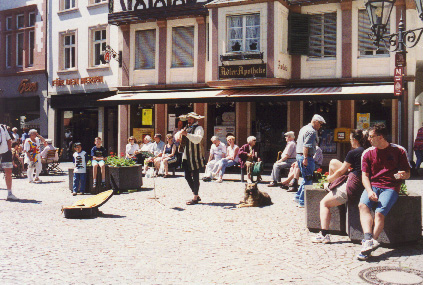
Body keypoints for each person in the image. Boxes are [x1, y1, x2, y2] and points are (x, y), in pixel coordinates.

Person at [356, 123, 411, 260]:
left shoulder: (399, 151)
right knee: (363, 205)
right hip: (373, 185)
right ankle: (368, 239)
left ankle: (369, 244)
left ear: (380, 137)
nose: (368, 139)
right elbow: (365, 176)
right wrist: (369, 191)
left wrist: (404, 175)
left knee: (380, 213)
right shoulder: (367, 153)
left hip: (391, 187)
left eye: (371, 136)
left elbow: (408, 173)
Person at [312, 129, 369, 244]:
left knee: (324, 203)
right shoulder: (367, 151)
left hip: (353, 185)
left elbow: (341, 171)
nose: (350, 142)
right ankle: (330, 186)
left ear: (355, 140)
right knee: (333, 162)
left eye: (350, 139)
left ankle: (324, 234)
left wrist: (328, 178)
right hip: (363, 183)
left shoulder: (353, 153)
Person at [294, 114, 326, 208]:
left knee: (305, 178)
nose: (320, 126)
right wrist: (305, 158)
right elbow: (306, 146)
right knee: (308, 179)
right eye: (320, 124)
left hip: (299, 155)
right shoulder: (312, 131)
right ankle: (303, 202)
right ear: (315, 122)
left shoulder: (303, 128)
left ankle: (297, 197)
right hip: (306, 157)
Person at [175, 112, 205, 205]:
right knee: (187, 176)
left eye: (191, 118)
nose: (189, 120)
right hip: (186, 155)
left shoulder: (199, 128)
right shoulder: (186, 128)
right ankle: (195, 193)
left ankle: (195, 197)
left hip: (195, 155)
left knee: (196, 177)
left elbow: (197, 139)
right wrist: (179, 135)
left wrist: (186, 134)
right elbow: (177, 136)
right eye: (188, 118)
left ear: (195, 119)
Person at [0, 124, 17, 200]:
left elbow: (8, 140)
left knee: (9, 171)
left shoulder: (3, 127)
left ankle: (9, 193)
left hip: (5, 152)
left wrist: (10, 152)